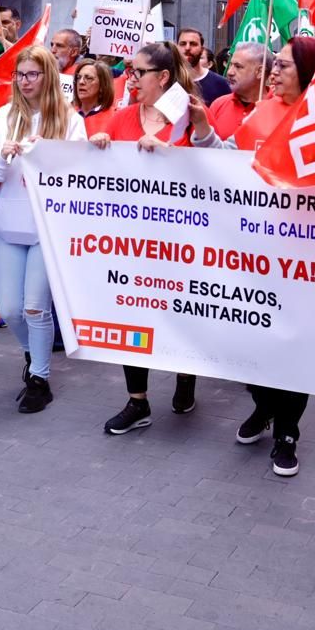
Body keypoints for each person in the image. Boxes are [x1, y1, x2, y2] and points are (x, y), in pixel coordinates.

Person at [188, 37, 315, 476]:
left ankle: (287, 433)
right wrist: (204, 130)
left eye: (284, 65)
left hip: (306, 258)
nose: (276, 72)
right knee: (247, 339)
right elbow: (233, 163)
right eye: (275, 65)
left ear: (307, 71)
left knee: (292, 347)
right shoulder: (262, 112)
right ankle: (264, 405)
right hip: (252, 252)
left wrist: (305, 195)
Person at [89, 41, 200, 430]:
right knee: (132, 313)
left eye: (137, 72)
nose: (129, 78)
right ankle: (138, 401)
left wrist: (172, 153)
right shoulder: (121, 119)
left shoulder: (188, 116)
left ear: (163, 77)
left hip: (181, 242)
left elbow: (210, 173)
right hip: (133, 241)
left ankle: (187, 375)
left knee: (180, 314)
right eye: (128, 71)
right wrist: (98, 149)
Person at [0, 46, 87, 413]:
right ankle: (33, 354)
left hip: (49, 227)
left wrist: (53, 154)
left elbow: (79, 173)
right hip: (10, 224)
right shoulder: (1, 118)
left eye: (32, 74)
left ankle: (40, 378)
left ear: (48, 77)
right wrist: (4, 154)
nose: (25, 81)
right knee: (9, 308)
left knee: (34, 307)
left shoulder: (69, 119)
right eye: (20, 74)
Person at [206, 43, 270, 139]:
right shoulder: (218, 105)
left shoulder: (280, 109)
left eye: (238, 66)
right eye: (230, 65)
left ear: (260, 72)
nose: (229, 72)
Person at [178, 29, 232, 103]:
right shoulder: (167, 81)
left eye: (193, 44)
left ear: (202, 49)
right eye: (183, 44)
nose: (187, 48)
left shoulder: (221, 84)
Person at [72, 58, 116, 135]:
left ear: (102, 86)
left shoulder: (115, 117)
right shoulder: (67, 115)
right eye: (78, 77)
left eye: (88, 78)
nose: (81, 82)